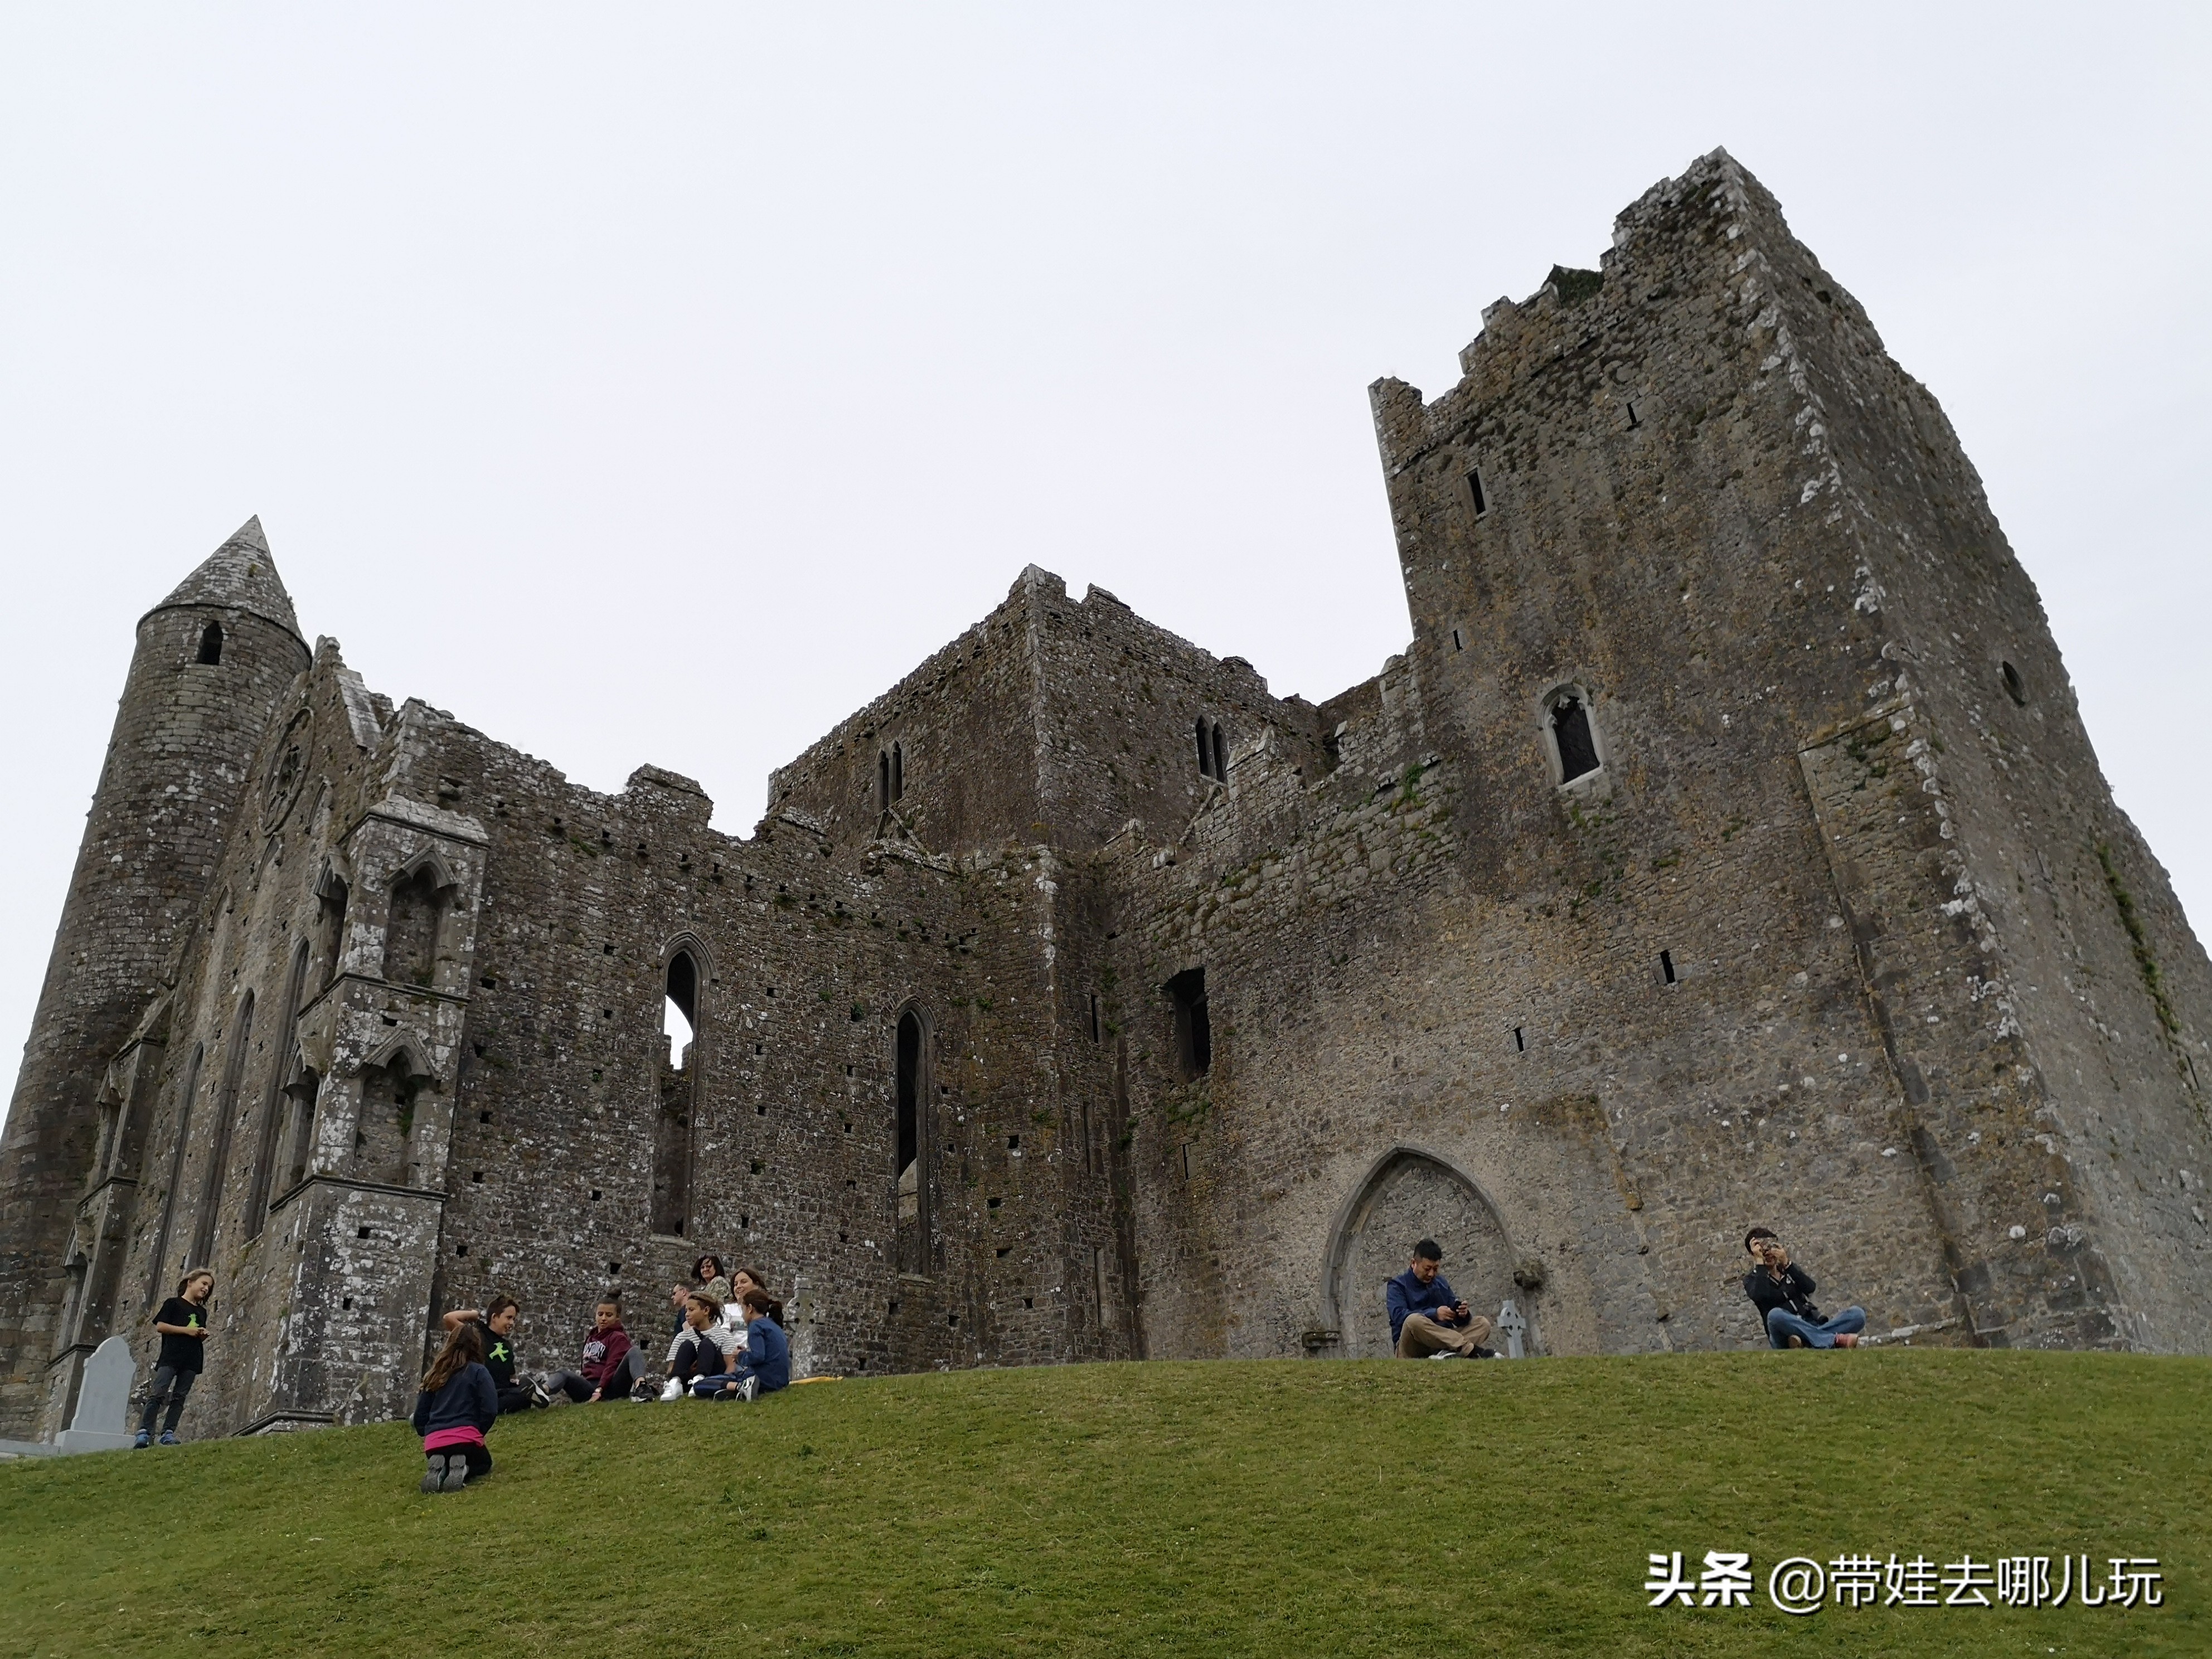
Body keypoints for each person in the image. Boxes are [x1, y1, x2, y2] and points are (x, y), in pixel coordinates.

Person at [412, 1320, 498, 1493]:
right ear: (476, 1345)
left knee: (443, 1453)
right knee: (484, 1463)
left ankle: (441, 1470)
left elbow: (420, 1416)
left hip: (434, 1443)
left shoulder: (434, 1375)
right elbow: (490, 1408)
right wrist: (478, 1431)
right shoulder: (478, 1371)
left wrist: (427, 1431)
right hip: (466, 1440)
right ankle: (463, 1469)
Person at [1743, 1227, 1865, 1349]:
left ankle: (1809, 1343)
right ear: (1753, 1252)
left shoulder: (1787, 1271)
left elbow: (1810, 1288)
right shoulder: (1752, 1279)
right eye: (1762, 1248)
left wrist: (1787, 1263)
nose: (1768, 1253)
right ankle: (1832, 1340)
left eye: (1770, 1246)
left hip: (1811, 1323)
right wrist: (1760, 1262)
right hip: (1784, 1336)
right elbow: (1760, 1295)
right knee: (1774, 1315)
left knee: (1857, 1314)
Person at [135, 1268, 215, 1446]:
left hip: (192, 1358)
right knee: (158, 1392)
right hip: (171, 1355)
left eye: (209, 1287)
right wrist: (188, 1330)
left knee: (180, 1397)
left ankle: (168, 1433)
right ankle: (145, 1432)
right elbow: (161, 1327)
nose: (206, 1289)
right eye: (204, 1283)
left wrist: (201, 1335)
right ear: (190, 1282)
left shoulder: (202, 1312)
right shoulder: (173, 1304)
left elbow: (195, 1331)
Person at [1385, 1240, 1497, 1359]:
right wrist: (1435, 1314)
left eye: (1435, 1269)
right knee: (1413, 1321)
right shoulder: (1397, 1286)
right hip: (1413, 1346)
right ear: (1414, 1263)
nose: (1431, 1274)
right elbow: (1399, 1316)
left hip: (1444, 1339)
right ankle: (1468, 1350)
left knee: (1482, 1324)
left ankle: (1446, 1353)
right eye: (1427, 1269)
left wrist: (1462, 1314)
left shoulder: (1440, 1283)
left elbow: (1455, 1316)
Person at [442, 1294, 548, 1413]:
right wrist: (474, 1314)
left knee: (522, 1393)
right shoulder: (476, 1334)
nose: (512, 1323)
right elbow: (449, 1318)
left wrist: (517, 1382)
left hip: (503, 1392)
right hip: (483, 1392)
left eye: (514, 1319)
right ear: (494, 1317)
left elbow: (511, 1376)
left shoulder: (507, 1346)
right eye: (509, 1318)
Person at [541, 1296, 638, 1402]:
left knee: (565, 1373)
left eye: (609, 1315)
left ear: (617, 1317)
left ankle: (641, 1387)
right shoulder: (591, 1337)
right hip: (589, 1387)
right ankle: (542, 1391)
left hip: (608, 1388)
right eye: (600, 1314)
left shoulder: (618, 1337)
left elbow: (612, 1366)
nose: (603, 1319)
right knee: (563, 1374)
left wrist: (599, 1390)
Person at [704, 1287, 789, 1403]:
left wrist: (739, 1355)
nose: (743, 1314)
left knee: (701, 1384)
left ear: (750, 1309)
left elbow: (758, 1356)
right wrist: (745, 1351)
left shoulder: (756, 1325)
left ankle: (742, 1387)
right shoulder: (773, 1325)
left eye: (743, 1309)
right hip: (780, 1381)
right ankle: (737, 1390)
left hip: (762, 1379)